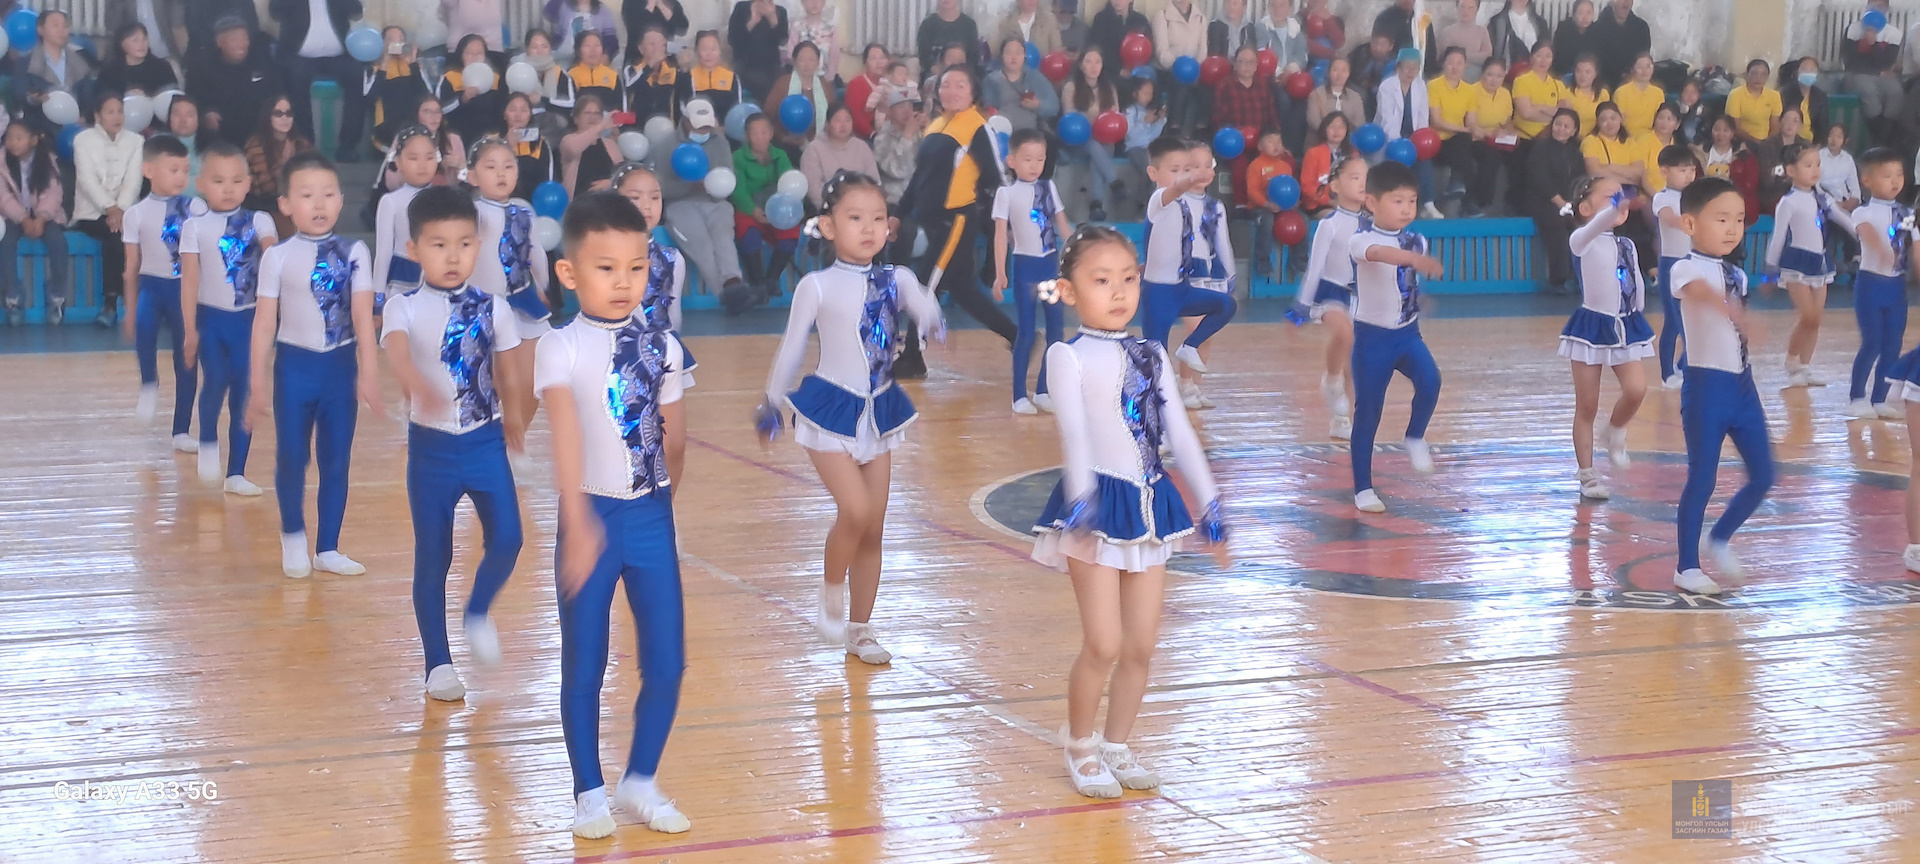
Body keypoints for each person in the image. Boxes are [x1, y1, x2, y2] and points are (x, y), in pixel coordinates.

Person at [1028, 224, 1226, 800]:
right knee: (1104, 644)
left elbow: (1180, 434)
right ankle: (1081, 746)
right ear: (1069, 291)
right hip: (1095, 505)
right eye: (1101, 281)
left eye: (1129, 279)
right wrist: (1083, 502)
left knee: (1141, 646)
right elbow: (1074, 436)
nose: (1118, 292)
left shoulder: (1152, 353)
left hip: (1151, 504)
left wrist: (1210, 501)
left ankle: (1117, 744)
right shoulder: (1066, 355)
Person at [535, 191, 692, 839]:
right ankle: (588, 791)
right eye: (606, 268)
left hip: (651, 516)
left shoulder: (666, 347)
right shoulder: (558, 348)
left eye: (636, 267)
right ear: (569, 273)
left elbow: (675, 440)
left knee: (668, 661)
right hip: (590, 515)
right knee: (585, 662)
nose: (624, 282)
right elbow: (566, 437)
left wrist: (662, 507)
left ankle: (640, 780)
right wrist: (577, 523)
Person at [758, 170, 945, 663]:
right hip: (829, 412)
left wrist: (932, 314)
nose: (868, 228)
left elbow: (925, 312)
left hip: (878, 410)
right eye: (855, 217)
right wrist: (772, 400)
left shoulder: (897, 278)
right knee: (856, 511)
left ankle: (860, 630)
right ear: (827, 226)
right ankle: (830, 590)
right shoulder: (816, 286)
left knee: (874, 526)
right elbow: (792, 346)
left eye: (878, 218)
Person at [378, 186, 525, 701]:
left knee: (509, 538)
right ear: (414, 249)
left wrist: (517, 413)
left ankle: (477, 610)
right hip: (431, 450)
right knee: (433, 554)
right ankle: (437, 663)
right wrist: (413, 383)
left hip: (485, 442)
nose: (453, 256)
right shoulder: (401, 306)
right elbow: (397, 351)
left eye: (464, 244)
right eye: (438, 245)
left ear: (477, 246)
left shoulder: (495, 307)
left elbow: (509, 368)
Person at [246, 152, 378, 579]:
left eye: (328, 195)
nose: (318, 204)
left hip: (340, 369)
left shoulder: (355, 251)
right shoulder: (277, 257)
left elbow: (362, 317)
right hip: (294, 369)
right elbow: (264, 323)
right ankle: (293, 536)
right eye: (307, 196)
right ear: (285, 204)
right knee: (292, 456)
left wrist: (370, 371)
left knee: (336, 459)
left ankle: (328, 547)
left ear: (340, 201)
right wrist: (257, 381)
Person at [1667, 176, 1771, 595]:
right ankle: (1686, 567)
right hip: (1707, 388)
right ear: (1690, 224)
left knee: (1764, 474)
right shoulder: (1684, 268)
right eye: (1722, 219)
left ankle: (1720, 536)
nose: (1732, 228)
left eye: (1739, 220)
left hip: (1744, 386)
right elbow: (1700, 294)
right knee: (1702, 478)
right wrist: (1735, 312)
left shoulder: (1737, 274)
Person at [896, 67, 1018, 378]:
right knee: (963, 290)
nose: (952, 91)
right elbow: (919, 178)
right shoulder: (936, 125)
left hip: (955, 223)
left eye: (960, 85)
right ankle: (1019, 338)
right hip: (932, 222)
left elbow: (997, 178)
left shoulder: (977, 127)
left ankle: (912, 357)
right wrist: (899, 213)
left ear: (973, 92)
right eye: (946, 85)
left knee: (924, 286)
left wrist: (1006, 222)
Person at [179, 139, 277, 495]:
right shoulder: (194, 227)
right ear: (201, 184)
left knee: (242, 394)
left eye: (237, 180)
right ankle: (207, 441)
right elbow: (190, 280)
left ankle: (236, 471)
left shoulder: (260, 220)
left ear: (248, 184)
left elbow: (272, 254)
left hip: (248, 321)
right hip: (211, 320)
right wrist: (189, 329)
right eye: (218, 181)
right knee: (215, 380)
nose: (228, 188)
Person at [1346, 159, 1445, 514]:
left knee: (1431, 381)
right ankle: (1363, 488)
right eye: (1397, 201)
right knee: (1369, 411)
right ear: (1372, 202)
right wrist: (1412, 260)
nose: (1406, 209)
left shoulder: (1418, 239)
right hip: (1373, 340)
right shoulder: (1361, 239)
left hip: (1407, 334)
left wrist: (1418, 299)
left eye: (1412, 201)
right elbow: (1379, 255)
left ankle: (1415, 436)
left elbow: (1406, 282)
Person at [1556, 176, 1649, 500]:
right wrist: (1617, 204)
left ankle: (1615, 429)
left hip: (1626, 325)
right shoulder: (1581, 240)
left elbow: (1635, 281)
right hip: (1590, 329)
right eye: (1610, 197)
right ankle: (1587, 474)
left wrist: (1638, 311)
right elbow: (1598, 224)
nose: (1619, 202)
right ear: (1585, 208)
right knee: (1587, 405)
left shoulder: (1627, 245)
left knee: (1637, 389)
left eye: (1620, 197)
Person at [466, 136, 553, 464]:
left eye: (508, 166)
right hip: (483, 305)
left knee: (532, 381)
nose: (501, 173)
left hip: (523, 302)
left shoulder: (524, 211)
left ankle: (513, 444)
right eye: (490, 167)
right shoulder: (472, 213)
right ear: (473, 176)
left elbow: (535, 251)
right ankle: (482, 445)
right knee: (491, 382)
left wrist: (542, 285)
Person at [1140, 137, 1236, 407]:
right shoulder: (1159, 200)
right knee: (1156, 352)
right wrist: (1191, 178)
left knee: (1226, 305)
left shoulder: (1186, 204)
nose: (1182, 176)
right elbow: (1175, 190)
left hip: (1181, 287)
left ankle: (1189, 348)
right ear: (1153, 173)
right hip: (1158, 291)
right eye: (1175, 170)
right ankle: (1154, 406)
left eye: (1185, 169)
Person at [123, 136, 205, 447]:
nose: (181, 177)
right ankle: (149, 384)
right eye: (173, 170)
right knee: (145, 330)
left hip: (184, 289)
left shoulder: (195, 208)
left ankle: (181, 430)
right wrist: (130, 310)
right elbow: (131, 268)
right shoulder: (135, 214)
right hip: (152, 286)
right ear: (149, 170)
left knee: (187, 358)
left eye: (185, 170)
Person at [992, 129, 1071, 415]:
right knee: (1026, 332)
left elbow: (1063, 225)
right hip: (1025, 268)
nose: (1034, 165)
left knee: (1056, 331)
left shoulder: (1049, 187)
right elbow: (1000, 235)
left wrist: (1075, 258)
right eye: (1027, 159)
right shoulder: (1006, 193)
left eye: (1040, 159)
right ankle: (1018, 395)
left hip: (1049, 267)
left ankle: (1043, 389)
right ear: (1011, 161)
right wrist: (1000, 272)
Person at [1765, 142, 1855, 388]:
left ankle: (1805, 367)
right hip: (1797, 263)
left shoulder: (1823, 198)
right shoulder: (1788, 202)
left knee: (1816, 320)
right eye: (1808, 165)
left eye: (1817, 164)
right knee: (1807, 316)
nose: (1815, 169)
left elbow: (1844, 220)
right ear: (1791, 170)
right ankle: (1792, 361)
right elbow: (1778, 236)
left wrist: (1864, 234)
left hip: (1821, 263)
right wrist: (1770, 269)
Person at [1294, 154, 1368, 439]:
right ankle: (1331, 379)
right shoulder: (1330, 224)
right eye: (1355, 177)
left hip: (1360, 297)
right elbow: (1315, 267)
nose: (1362, 183)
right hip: (1330, 293)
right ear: (1335, 186)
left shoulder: (1371, 224)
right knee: (1345, 334)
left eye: (1365, 178)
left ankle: (1344, 418)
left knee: (1357, 358)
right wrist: (1302, 304)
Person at [612, 162, 697, 398]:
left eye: (655, 197)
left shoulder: (672, 258)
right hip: (612, 354)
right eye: (635, 198)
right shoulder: (601, 256)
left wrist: (672, 349)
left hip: (660, 355)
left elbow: (673, 315)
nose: (646, 206)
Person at [1845, 147, 1911, 420]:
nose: (1895, 181)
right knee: (1872, 342)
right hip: (1871, 286)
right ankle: (1857, 397)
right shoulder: (1862, 212)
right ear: (1867, 180)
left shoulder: (1906, 213)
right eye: (1887, 176)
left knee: (1893, 345)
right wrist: (1883, 251)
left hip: (1896, 287)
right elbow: (1868, 234)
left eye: (1899, 174)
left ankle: (1880, 398)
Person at [661, 99, 749, 305]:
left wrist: (713, 187)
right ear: (686, 121)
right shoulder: (667, 145)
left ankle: (733, 282)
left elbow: (728, 178)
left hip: (714, 200)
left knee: (723, 237)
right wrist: (688, 187)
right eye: (698, 127)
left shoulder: (720, 141)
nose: (704, 131)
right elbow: (659, 187)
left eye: (707, 127)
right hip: (680, 203)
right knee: (701, 245)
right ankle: (726, 294)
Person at [71, 94, 146, 327]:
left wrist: (121, 209)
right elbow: (87, 181)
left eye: (120, 111)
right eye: (110, 112)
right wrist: (110, 208)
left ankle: (122, 303)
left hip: (125, 211)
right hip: (91, 212)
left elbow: (134, 181)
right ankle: (113, 303)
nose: (117, 117)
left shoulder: (136, 141)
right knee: (115, 235)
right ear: (98, 116)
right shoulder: (83, 140)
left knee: (122, 232)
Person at [269, 0, 367, 161]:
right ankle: (304, 144)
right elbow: (275, 12)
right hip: (298, 55)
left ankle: (348, 146)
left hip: (338, 55)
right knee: (296, 79)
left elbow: (356, 12)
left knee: (357, 74)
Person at [0, 123, 68, 325]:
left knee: (58, 242)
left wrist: (41, 218)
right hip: (12, 216)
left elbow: (53, 193)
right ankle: (12, 296)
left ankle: (57, 296)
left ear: (33, 140)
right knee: (5, 242)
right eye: (9, 137)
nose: (12, 142)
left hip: (45, 216)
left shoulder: (47, 160)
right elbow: (3, 197)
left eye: (18, 137)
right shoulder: (1, 161)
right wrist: (22, 218)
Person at [731, 113, 801, 299]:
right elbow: (738, 190)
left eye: (764, 132)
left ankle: (771, 279)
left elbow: (789, 184)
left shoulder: (780, 156)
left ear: (771, 133)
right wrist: (753, 210)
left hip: (777, 209)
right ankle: (757, 283)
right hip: (750, 208)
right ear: (747, 136)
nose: (760, 138)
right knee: (749, 233)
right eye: (754, 133)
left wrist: (779, 212)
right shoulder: (738, 158)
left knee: (791, 230)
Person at [374, 126, 441, 315]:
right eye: (413, 158)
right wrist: (378, 295)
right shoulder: (391, 201)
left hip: (438, 281)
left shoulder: (445, 198)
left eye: (429, 157)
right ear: (398, 162)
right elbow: (383, 253)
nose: (422, 165)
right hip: (401, 283)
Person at [188, 17, 282, 148]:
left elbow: (277, 92)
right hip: (222, 136)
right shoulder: (201, 68)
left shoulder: (261, 60)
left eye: (245, 38)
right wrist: (206, 114)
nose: (242, 44)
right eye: (235, 39)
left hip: (259, 131)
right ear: (220, 42)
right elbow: (193, 99)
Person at [1651, 143, 1699, 389]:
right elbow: (1670, 219)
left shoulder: (1695, 197)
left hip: (1694, 262)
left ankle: (1684, 366)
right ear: (1665, 171)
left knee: (1695, 320)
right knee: (1673, 320)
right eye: (1682, 170)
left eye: (1692, 170)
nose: (1689, 175)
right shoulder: (1662, 198)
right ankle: (1667, 374)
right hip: (1671, 264)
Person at [1526, 110, 1585, 292]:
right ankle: (1558, 280)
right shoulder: (1540, 149)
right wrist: (1560, 202)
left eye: (1566, 126)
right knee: (1557, 228)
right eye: (1558, 124)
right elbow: (1540, 179)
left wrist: (1574, 203)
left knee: (1584, 227)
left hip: (1570, 202)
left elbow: (1580, 180)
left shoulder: (1575, 153)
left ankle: (1580, 277)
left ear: (1574, 131)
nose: (1560, 129)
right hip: (1545, 201)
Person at [1378, 48, 1440, 216]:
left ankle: (1428, 204)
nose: (1411, 71)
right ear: (1398, 67)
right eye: (1407, 67)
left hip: (1413, 135)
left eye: (1415, 67)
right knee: (1400, 158)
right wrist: (1399, 143)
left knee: (1424, 158)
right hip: (1390, 136)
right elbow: (1387, 119)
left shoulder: (1420, 85)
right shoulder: (1387, 87)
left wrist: (1418, 141)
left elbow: (1422, 116)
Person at [245, 95, 316, 239]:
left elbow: (314, 178)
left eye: (289, 113)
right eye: (278, 113)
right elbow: (266, 188)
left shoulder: (302, 144)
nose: (285, 118)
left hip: (299, 203)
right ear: (268, 117)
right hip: (267, 207)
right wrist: (286, 166)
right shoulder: (255, 146)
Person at [1063, 47, 1121, 221]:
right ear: (1081, 65)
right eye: (1088, 61)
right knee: (1094, 145)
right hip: (1078, 141)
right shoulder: (1071, 87)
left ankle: (1096, 206)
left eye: (1097, 62)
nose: (1093, 66)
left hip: (1103, 140)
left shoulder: (1109, 88)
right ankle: (1115, 183)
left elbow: (1115, 115)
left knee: (1100, 152)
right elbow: (1070, 118)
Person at [1211, 46, 1276, 192]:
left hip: (1260, 140)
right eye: (1242, 61)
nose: (1246, 66)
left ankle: (1265, 200)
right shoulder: (1224, 85)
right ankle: (1241, 203)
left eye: (1250, 62)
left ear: (1256, 65)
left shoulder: (1263, 86)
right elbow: (1217, 119)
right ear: (1235, 64)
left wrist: (1274, 138)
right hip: (1235, 142)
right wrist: (1238, 134)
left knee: (1279, 161)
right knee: (1240, 165)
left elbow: (1271, 115)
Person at [17, 11, 93, 133]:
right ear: (41, 30)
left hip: (76, 126)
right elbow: (19, 94)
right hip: (40, 128)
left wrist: (84, 117)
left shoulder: (80, 61)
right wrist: (33, 99)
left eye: (65, 26)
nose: (61, 30)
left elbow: (88, 97)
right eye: (55, 25)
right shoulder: (25, 63)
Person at [366, 26, 437, 151]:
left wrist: (412, 63)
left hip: (414, 125)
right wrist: (384, 65)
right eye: (391, 40)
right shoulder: (375, 69)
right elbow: (370, 98)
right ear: (382, 44)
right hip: (386, 127)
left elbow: (427, 95)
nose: (396, 43)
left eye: (400, 40)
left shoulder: (414, 67)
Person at [1461, 57, 1516, 217]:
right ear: (1482, 74)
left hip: (1499, 138)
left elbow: (1507, 121)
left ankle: (1514, 203)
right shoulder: (1472, 91)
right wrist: (1490, 132)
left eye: (1499, 76)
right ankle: (1480, 203)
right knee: (1491, 157)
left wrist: (1509, 131)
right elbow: (1470, 124)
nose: (1494, 80)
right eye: (1490, 75)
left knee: (1521, 156)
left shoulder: (1505, 94)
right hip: (1476, 138)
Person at [1844, 2, 1905, 140]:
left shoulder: (1894, 34)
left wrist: (1874, 44)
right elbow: (1850, 61)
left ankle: (1884, 136)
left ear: (1887, 9)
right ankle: (1879, 138)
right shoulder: (1853, 29)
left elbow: (1887, 62)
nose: (1876, 9)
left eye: (1880, 6)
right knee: (1869, 91)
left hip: (1881, 74)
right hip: (1857, 73)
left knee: (1896, 92)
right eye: (1872, 5)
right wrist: (1877, 71)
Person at [800, 103, 880, 209]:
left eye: (847, 120)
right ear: (827, 124)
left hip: (862, 208)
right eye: (837, 120)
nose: (843, 125)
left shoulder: (862, 147)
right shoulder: (814, 149)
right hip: (828, 208)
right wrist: (834, 209)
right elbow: (813, 189)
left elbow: (874, 180)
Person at [1242, 130, 1295, 278]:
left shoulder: (1285, 167)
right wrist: (1266, 204)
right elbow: (1252, 191)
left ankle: (1299, 261)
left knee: (1302, 219)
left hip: (1282, 208)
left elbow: (1289, 189)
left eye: (1279, 141)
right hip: (1259, 208)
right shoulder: (1255, 165)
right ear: (1260, 146)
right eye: (1271, 141)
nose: (1276, 145)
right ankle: (1263, 261)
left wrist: (1292, 203)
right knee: (1267, 220)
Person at [1152, 0, 1209, 138]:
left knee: (1207, 89)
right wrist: (1179, 67)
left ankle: (1200, 133)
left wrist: (1194, 68)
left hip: (1194, 70)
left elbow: (1203, 50)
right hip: (1168, 70)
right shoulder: (1162, 16)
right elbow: (1162, 52)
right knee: (1181, 85)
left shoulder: (1200, 18)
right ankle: (1174, 130)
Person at [1428, 47, 1477, 205]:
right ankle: (1469, 204)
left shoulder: (1469, 90)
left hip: (1457, 142)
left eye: (1459, 63)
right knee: (1464, 145)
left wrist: (1473, 129)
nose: (1455, 67)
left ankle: (1457, 186)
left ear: (1465, 66)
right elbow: (1436, 121)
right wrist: (1465, 129)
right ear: (1443, 64)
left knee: (1466, 145)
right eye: (1450, 63)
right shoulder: (1433, 86)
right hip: (1436, 142)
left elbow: (1471, 121)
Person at [438, 35, 507, 144]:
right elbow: (442, 109)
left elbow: (503, 110)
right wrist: (462, 99)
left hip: (490, 136)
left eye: (479, 53)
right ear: (461, 54)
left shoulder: (495, 78)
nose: (474, 57)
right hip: (459, 135)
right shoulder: (451, 77)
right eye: (469, 53)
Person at [986, 38, 1062, 134]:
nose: (1013, 57)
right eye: (1009, 53)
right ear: (1001, 55)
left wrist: (1037, 105)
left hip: (1031, 133)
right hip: (1002, 133)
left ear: (1025, 56)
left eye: (1018, 53)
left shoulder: (1035, 77)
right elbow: (987, 107)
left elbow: (1054, 107)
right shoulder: (991, 80)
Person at [769, 41, 835, 148]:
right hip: (786, 145)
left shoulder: (826, 86)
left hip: (821, 145)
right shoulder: (783, 84)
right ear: (794, 62)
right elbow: (769, 115)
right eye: (802, 60)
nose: (806, 65)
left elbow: (833, 116)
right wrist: (783, 137)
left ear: (818, 63)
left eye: (811, 60)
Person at [96, 23, 179, 104]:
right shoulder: (109, 71)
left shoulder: (162, 67)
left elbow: (174, 97)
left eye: (144, 39)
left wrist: (149, 97)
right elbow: (101, 100)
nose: (141, 44)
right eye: (135, 40)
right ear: (122, 44)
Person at [676, 31, 745, 122]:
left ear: (720, 51)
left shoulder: (732, 77)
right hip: (697, 126)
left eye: (713, 49)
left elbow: (737, 109)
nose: (709, 54)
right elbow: (684, 110)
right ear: (697, 51)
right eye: (704, 49)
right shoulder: (689, 77)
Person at [560, 94, 621, 197]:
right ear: (576, 119)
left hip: (607, 200)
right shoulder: (568, 140)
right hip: (579, 201)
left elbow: (622, 174)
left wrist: (611, 183)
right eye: (587, 113)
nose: (592, 117)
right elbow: (573, 149)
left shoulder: (610, 144)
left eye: (597, 113)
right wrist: (601, 127)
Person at [728, 0, 789, 102]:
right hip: (744, 67)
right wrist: (752, 22)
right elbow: (733, 40)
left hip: (770, 69)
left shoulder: (781, 11)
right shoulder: (741, 8)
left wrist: (772, 19)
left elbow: (782, 40)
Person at [872, 92, 925, 205]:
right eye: (901, 106)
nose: (907, 111)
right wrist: (907, 137)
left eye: (910, 106)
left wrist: (930, 131)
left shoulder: (920, 132)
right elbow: (898, 171)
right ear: (889, 111)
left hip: (922, 197)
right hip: (896, 200)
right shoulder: (881, 139)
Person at [622, 27, 680, 127]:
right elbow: (631, 86)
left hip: (665, 126)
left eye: (662, 44)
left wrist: (685, 68)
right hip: (636, 127)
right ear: (641, 48)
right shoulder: (631, 69)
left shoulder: (673, 71)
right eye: (652, 44)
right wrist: (650, 65)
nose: (657, 48)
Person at [505, 94, 559, 200]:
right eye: (512, 109)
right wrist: (507, 145)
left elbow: (547, 180)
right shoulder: (493, 141)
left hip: (532, 202)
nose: (518, 114)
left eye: (523, 110)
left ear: (530, 115)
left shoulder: (540, 143)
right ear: (504, 114)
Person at [1755, 106, 1806, 216]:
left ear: (1801, 125)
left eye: (1795, 120)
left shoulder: (1805, 147)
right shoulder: (1767, 146)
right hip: (1774, 194)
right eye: (1786, 119)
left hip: (1800, 192)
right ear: (1780, 122)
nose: (1790, 124)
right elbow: (1766, 179)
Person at [1300, 111, 1354, 213]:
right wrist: (1329, 201)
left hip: (1347, 202)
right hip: (1319, 204)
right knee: (1335, 217)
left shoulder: (1353, 153)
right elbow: (1307, 186)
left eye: (1341, 127)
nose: (1336, 131)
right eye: (1332, 127)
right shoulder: (1313, 153)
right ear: (1324, 129)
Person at [107, 0, 187, 67]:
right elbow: (114, 29)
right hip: (134, 63)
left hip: (167, 57)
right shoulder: (120, 3)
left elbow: (178, 26)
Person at [558, 30, 620, 116]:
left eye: (597, 45)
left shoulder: (612, 75)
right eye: (587, 46)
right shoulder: (570, 76)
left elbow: (620, 107)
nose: (593, 50)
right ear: (578, 50)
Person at [1588, 0, 1649, 86]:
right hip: (1605, 82)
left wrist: (1631, 74)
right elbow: (1596, 59)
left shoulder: (1641, 27)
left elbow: (1643, 56)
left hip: (1634, 81)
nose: (1626, 2)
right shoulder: (1597, 28)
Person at [1091, 0, 1151, 81]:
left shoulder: (1140, 20)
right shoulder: (1101, 19)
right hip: (1110, 72)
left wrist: (1137, 69)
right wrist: (1118, 69)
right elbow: (1098, 49)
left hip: (1138, 71)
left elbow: (1149, 47)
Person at [917, 0, 980, 76]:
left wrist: (962, 73)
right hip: (934, 74)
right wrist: (936, 71)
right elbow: (924, 57)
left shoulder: (969, 24)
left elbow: (973, 56)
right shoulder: (927, 24)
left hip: (963, 73)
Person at [1725, 60, 1781, 144]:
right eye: (1754, 73)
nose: (1758, 78)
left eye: (1763, 75)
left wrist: (1767, 144)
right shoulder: (1735, 95)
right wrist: (1755, 142)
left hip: (1767, 142)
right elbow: (1735, 127)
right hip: (1742, 141)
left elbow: (1775, 126)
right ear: (1747, 75)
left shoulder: (1774, 95)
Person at [1776, 57, 1828, 144]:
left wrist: (1818, 145)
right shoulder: (1786, 93)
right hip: (1789, 141)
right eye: (1804, 69)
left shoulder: (1820, 96)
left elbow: (1822, 125)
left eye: (1812, 70)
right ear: (1797, 72)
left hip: (1811, 142)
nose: (1808, 73)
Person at [548, 0, 621, 62]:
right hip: (564, 54)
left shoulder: (602, 10)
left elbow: (611, 39)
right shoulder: (565, 6)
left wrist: (606, 55)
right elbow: (548, 13)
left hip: (591, 57)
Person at [1305, 57, 1365, 132]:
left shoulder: (1355, 97)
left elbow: (1359, 124)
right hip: (1321, 136)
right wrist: (1331, 132)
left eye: (1344, 71)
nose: (1339, 75)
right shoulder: (1316, 95)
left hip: (1349, 137)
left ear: (1349, 74)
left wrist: (1343, 133)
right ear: (1328, 72)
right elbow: (1314, 122)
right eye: (1335, 70)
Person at [620, 0, 688, 65]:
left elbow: (683, 28)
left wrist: (662, 7)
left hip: (665, 59)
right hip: (637, 58)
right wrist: (650, 7)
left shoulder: (672, 3)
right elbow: (633, 27)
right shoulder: (631, 2)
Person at [1486, 0, 1549, 69]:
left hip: (1533, 72)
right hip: (1506, 71)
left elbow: (1546, 50)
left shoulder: (1541, 23)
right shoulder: (1496, 22)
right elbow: (1492, 53)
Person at [1437, 0, 1492, 79]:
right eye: (1462, 6)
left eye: (1470, 7)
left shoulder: (1482, 31)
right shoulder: (1447, 32)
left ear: (1477, 10)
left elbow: (1487, 56)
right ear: (1457, 7)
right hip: (1451, 73)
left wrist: (1463, 56)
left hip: (1475, 74)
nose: (1465, 11)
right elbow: (1441, 57)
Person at [844, 44, 890, 140]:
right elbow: (855, 117)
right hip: (866, 136)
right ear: (865, 63)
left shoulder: (893, 82)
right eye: (873, 58)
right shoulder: (856, 84)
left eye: (882, 58)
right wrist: (873, 135)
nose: (879, 62)